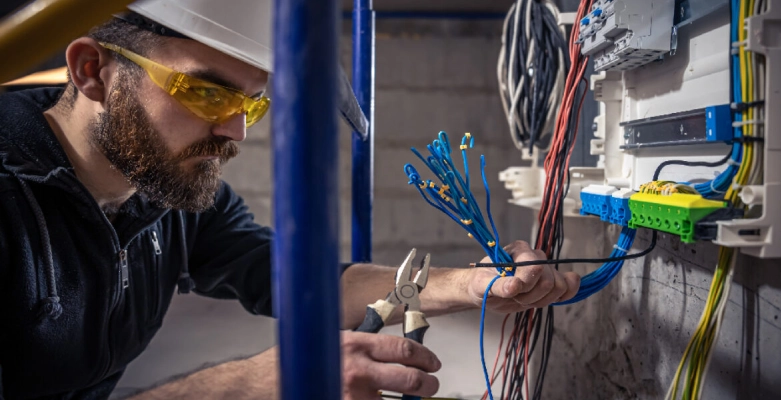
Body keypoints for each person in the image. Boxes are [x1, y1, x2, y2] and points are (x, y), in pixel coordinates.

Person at [0, 0, 581, 398]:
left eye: (252, 103)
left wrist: (473, 285)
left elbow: (287, 276)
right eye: (204, 91)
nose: (236, 131)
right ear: (92, 71)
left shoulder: (168, 197)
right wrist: (248, 385)